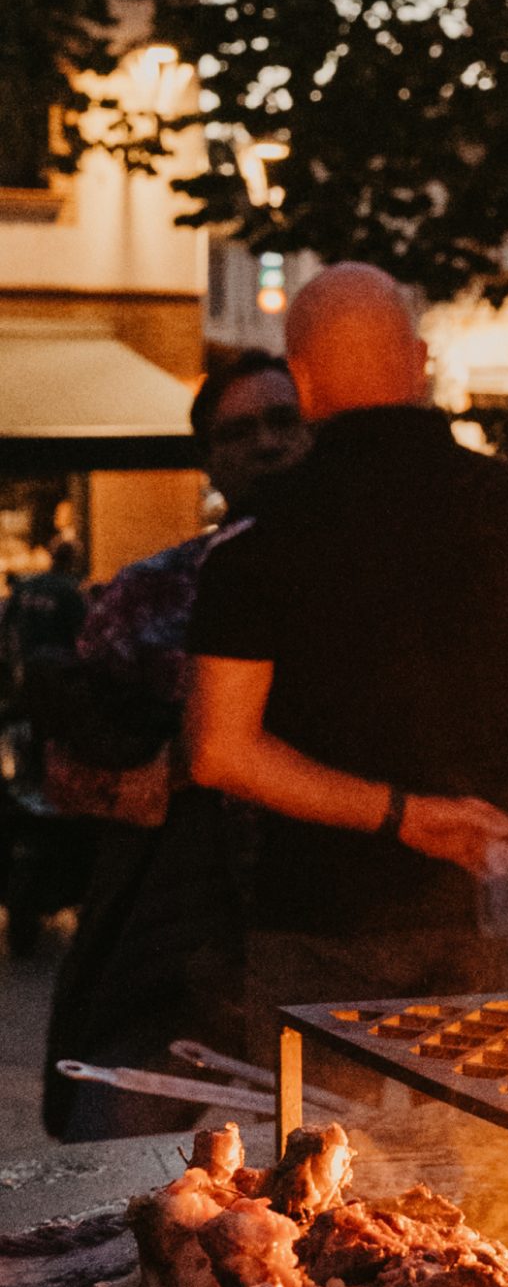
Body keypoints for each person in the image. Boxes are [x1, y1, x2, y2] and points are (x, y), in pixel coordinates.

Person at [186, 264, 508, 1058]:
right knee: (470, 1162)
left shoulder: (258, 538)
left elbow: (220, 751)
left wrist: (403, 818)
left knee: (315, 1164)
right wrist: (502, 833)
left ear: (304, 382)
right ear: (419, 364)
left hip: (315, 921)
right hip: (474, 923)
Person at [39, 350, 310, 1135]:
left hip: (333, 939)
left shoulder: (367, 585)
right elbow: (64, 776)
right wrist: (182, 767)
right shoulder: (150, 592)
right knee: (124, 1180)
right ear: (209, 458)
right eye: (238, 431)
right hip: (175, 952)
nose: (264, 444)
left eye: (283, 421)